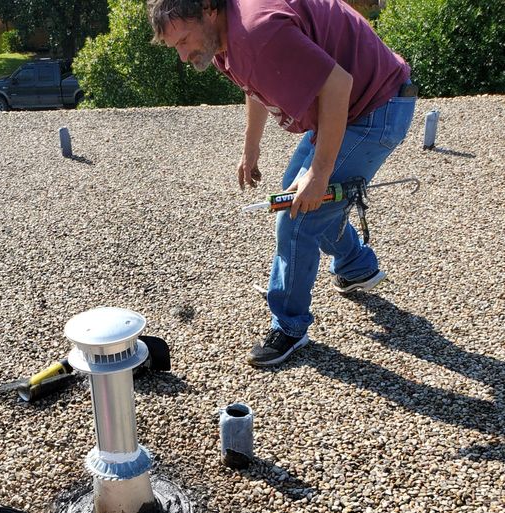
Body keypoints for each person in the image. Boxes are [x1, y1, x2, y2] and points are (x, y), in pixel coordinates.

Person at [147, 0, 417, 367]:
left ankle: (290, 326)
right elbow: (253, 83)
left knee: (297, 216)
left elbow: (338, 84)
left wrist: (319, 173)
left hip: (374, 108)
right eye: (174, 47)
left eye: (183, 40)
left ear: (208, 9)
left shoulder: (258, 30)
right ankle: (357, 267)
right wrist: (251, 147)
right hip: (352, 106)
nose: (182, 55)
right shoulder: (224, 35)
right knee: (299, 196)